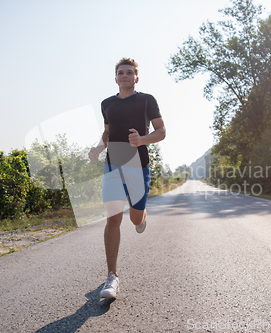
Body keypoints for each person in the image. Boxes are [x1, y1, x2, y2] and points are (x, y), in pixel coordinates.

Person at [88, 58, 166, 299]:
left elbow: (162, 131)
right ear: (115, 78)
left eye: (129, 72)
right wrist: (98, 148)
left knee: (134, 219)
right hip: (112, 166)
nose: (125, 75)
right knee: (112, 220)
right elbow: (108, 132)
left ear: (136, 77)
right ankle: (112, 276)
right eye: (121, 72)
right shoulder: (107, 104)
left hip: (138, 166)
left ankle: (141, 215)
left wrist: (142, 140)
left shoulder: (146, 100)